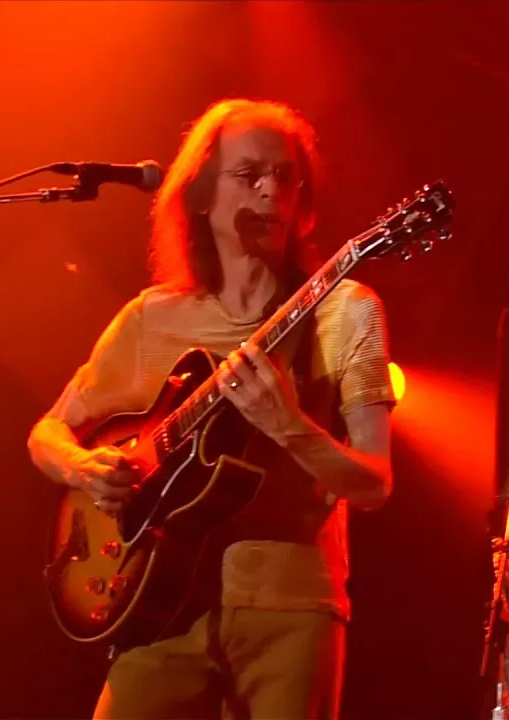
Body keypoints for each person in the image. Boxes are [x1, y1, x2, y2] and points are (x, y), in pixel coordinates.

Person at [27, 99, 396, 719]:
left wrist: (289, 427)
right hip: (158, 604)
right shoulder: (151, 318)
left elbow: (374, 484)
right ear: (199, 195)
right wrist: (83, 468)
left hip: (289, 611)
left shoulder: (346, 310)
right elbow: (47, 432)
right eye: (248, 174)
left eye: (286, 177)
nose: (270, 190)